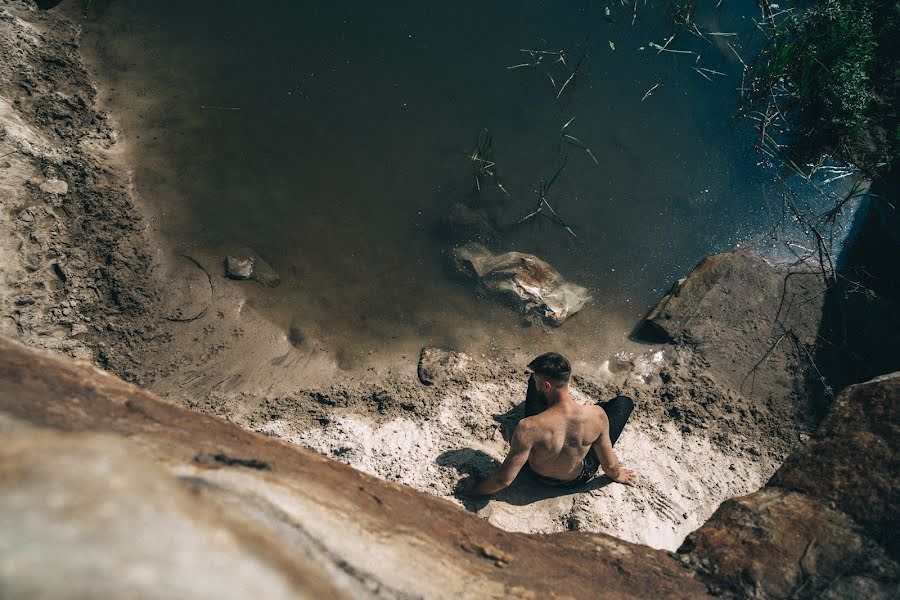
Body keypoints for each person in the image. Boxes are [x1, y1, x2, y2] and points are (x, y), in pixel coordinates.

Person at [458, 352, 635, 496]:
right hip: (576, 478)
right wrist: (618, 475)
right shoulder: (597, 416)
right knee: (623, 402)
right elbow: (610, 466)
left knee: (537, 393)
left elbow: (503, 480)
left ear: (547, 386)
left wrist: (473, 491)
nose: (536, 384)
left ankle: (564, 403)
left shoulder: (528, 427)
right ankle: (581, 409)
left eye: (538, 383)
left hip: (536, 474)